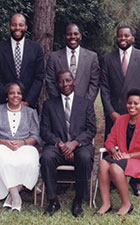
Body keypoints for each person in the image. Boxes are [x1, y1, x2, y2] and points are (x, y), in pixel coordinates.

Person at [100, 25, 140, 194]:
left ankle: (137, 183)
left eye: (126, 36)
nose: (123, 39)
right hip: (114, 114)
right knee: (113, 146)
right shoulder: (108, 59)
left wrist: (139, 111)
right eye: (120, 36)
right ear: (116, 38)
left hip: (136, 114)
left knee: (136, 146)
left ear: (133, 38)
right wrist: (111, 112)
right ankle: (114, 179)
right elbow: (105, 88)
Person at [95, 88, 140, 216]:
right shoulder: (121, 120)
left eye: (136, 103)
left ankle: (126, 204)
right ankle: (106, 204)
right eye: (129, 103)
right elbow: (109, 141)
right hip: (124, 157)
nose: (132, 106)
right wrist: (114, 151)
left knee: (114, 167)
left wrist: (130, 155)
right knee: (103, 163)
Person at [40, 69, 96, 217]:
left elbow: (91, 130)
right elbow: (44, 131)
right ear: (57, 84)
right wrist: (60, 144)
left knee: (85, 157)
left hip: (79, 146)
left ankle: (78, 200)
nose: (65, 84)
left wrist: (75, 143)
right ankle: (52, 200)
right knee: (46, 157)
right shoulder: (49, 105)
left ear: (74, 82)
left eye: (68, 80)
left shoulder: (86, 104)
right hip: (57, 146)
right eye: (61, 81)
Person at [0, 81, 41, 212]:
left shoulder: (31, 112)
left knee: (30, 160)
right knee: (3, 160)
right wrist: (4, 142)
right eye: (12, 93)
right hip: (0, 145)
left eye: (19, 93)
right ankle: (16, 197)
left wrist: (23, 142)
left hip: (24, 145)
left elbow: (36, 136)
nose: (16, 96)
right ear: (6, 95)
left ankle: (10, 197)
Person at [0, 13, 44, 108]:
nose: (17, 28)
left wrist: (28, 101)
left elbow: (39, 77)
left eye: (21, 25)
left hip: (29, 106)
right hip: (5, 105)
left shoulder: (36, 49)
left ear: (26, 27)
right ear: (9, 27)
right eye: (14, 25)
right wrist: (7, 100)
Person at [45, 23, 100, 102]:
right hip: (60, 105)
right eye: (69, 34)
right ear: (64, 37)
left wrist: (86, 104)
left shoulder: (91, 57)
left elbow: (94, 83)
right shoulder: (54, 57)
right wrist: (59, 102)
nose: (72, 37)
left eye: (76, 34)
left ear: (80, 36)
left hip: (83, 106)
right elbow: (50, 82)